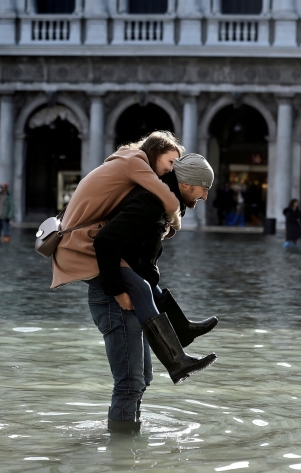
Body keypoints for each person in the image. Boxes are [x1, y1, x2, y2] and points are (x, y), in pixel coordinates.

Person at [51, 132, 216, 434]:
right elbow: (106, 241)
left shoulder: (157, 203)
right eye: (203, 189)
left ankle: (130, 448)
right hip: (114, 297)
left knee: (142, 379)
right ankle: (121, 454)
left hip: (125, 292)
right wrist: (117, 291)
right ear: (187, 183)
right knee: (129, 381)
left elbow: (136, 257)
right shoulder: (151, 199)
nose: (204, 196)